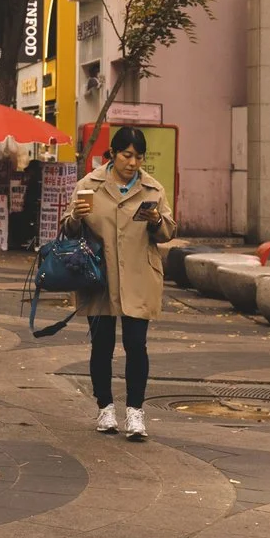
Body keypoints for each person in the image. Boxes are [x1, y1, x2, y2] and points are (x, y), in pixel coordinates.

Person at [68, 126, 174, 440]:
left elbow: (168, 232)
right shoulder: (89, 185)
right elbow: (68, 228)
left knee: (136, 346)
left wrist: (157, 221)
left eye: (138, 156)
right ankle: (105, 408)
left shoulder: (153, 189)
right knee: (102, 346)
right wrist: (75, 215)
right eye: (127, 155)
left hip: (140, 275)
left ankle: (136, 413)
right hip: (99, 276)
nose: (132, 162)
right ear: (112, 154)